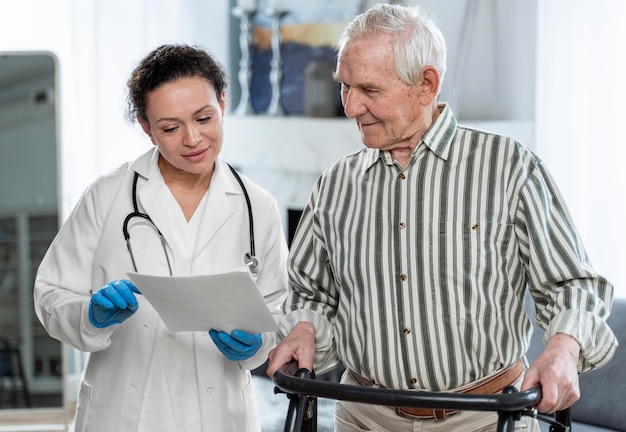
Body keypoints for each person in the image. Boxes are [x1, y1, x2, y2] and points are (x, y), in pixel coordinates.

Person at [266, 4, 617, 431]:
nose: (351, 107)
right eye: (344, 86)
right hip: (363, 416)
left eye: (370, 90)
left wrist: (563, 347)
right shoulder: (335, 184)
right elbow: (312, 294)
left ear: (426, 84)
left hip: (485, 419)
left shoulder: (507, 167)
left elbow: (573, 285)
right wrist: (303, 327)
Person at [34, 44, 288, 432]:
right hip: (123, 412)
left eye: (204, 117)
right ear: (146, 127)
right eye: (170, 127)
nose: (192, 139)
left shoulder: (258, 205)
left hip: (219, 415)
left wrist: (258, 345)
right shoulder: (108, 194)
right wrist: (90, 315)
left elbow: (277, 313)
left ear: (222, 101)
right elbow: (50, 293)